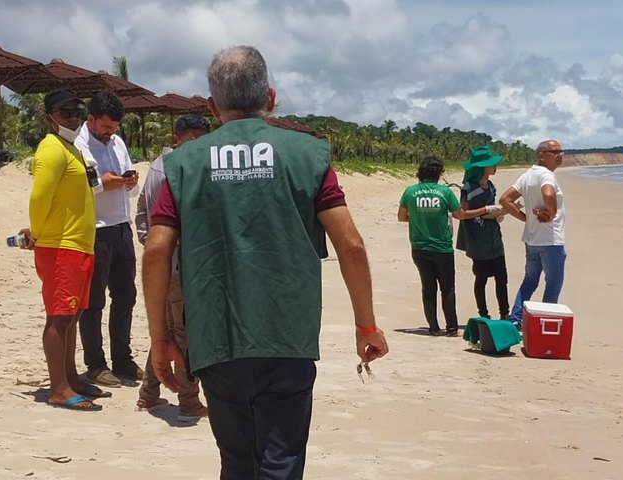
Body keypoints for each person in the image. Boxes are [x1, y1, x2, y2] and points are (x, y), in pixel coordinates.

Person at [143, 46, 388, 479]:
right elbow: (350, 244)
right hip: (285, 335)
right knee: (281, 460)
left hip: (215, 336)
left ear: (212, 106)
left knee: (237, 461)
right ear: (271, 98)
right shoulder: (306, 155)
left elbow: (158, 249)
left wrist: (160, 337)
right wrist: (365, 325)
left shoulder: (183, 163)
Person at [18, 88, 111, 411]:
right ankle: (58, 389)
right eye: (64, 113)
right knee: (59, 317)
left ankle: (70, 378)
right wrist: (39, 234)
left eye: (75, 111)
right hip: (60, 246)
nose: (71, 117)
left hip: (80, 245)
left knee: (72, 315)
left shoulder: (73, 148)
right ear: (50, 117)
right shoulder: (51, 149)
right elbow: (39, 197)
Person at [134, 115, 210, 420]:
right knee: (185, 334)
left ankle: (148, 394)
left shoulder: (155, 166)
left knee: (165, 332)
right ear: (176, 138)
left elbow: (141, 211)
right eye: (194, 141)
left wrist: (148, 241)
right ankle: (188, 399)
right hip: (178, 267)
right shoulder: (178, 171)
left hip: (162, 266)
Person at [75, 90, 142, 387]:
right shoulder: (78, 145)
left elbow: (129, 191)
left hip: (121, 227)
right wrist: (105, 184)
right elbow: (80, 188)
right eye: (105, 126)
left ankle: (123, 360)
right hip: (95, 229)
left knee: (126, 295)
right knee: (93, 301)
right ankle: (95, 363)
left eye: (114, 127)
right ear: (90, 119)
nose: (109, 132)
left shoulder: (117, 142)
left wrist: (128, 181)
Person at [398, 156, 501, 337]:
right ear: (439, 173)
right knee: (448, 288)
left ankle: (434, 327)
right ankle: (452, 328)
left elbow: (401, 216)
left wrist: (417, 219)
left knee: (428, 288)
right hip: (442, 248)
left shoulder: (409, 192)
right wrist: (485, 209)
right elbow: (459, 215)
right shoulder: (445, 193)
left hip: (419, 247)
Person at [499, 139, 567, 328]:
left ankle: (515, 320)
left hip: (532, 240)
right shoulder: (546, 176)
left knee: (529, 282)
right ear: (541, 155)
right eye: (555, 152)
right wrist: (551, 214)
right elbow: (547, 193)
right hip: (551, 241)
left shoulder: (528, 175)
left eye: (561, 151)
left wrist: (526, 218)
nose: (560, 155)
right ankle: (544, 325)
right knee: (553, 285)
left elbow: (505, 200)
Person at [455, 145, 510, 320]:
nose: (495, 167)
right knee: (481, 278)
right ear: (482, 167)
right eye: (492, 164)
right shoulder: (469, 188)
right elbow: (462, 214)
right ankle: (484, 314)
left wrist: (497, 214)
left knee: (502, 277)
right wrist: (485, 209)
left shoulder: (491, 186)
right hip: (477, 239)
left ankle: (504, 314)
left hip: (493, 235)